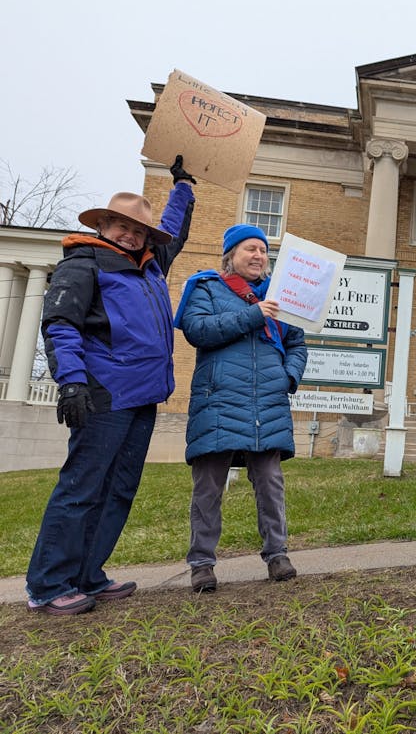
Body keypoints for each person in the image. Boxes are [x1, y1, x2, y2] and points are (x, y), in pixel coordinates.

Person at [26, 157, 196, 615]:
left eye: (138, 230)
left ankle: (87, 575)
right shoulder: (84, 263)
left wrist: (183, 186)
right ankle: (48, 584)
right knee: (82, 487)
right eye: (121, 225)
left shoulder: (149, 265)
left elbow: (173, 231)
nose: (131, 234)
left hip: (144, 397)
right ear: (103, 224)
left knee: (118, 489)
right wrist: (72, 384)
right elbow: (60, 325)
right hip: (104, 395)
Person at [175, 224, 308, 592]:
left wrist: (288, 377)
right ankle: (202, 564)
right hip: (218, 402)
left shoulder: (280, 297)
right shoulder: (207, 288)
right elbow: (197, 330)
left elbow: (297, 343)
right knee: (208, 488)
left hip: (267, 404)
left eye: (263, 251)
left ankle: (277, 554)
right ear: (230, 255)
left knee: (270, 483)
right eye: (250, 249)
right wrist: (255, 315)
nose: (258, 256)